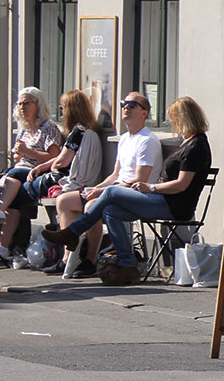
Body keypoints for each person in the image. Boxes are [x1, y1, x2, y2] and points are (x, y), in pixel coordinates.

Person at [43, 95, 210, 286]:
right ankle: (128, 265)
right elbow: (117, 175)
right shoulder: (187, 143)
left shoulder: (196, 146)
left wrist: (151, 187)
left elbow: (181, 184)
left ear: (183, 118)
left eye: (174, 118)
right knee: (110, 211)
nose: (173, 124)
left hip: (173, 206)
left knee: (111, 193)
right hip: (162, 199)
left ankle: (73, 232)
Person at [0, 89, 104, 270]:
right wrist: (41, 166)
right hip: (59, 177)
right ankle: (7, 244)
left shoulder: (77, 132)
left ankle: (8, 240)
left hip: (63, 180)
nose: (62, 112)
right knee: (15, 188)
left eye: (63, 108)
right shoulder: (86, 131)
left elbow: (61, 160)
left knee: (15, 189)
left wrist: (43, 164)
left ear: (71, 110)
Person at [47, 91, 163, 264]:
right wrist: (96, 188)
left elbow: (140, 179)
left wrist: (102, 191)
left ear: (144, 113)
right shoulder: (125, 138)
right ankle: (67, 258)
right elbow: (115, 174)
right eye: (123, 104)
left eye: (132, 105)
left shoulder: (147, 140)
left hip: (135, 194)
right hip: (115, 190)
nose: (126, 107)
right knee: (64, 201)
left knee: (92, 205)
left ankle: (90, 259)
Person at [0, 87, 63, 254]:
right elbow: (19, 158)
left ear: (38, 105)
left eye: (26, 103)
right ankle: (3, 246)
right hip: (20, 172)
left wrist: (27, 152)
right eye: (19, 104)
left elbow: (54, 157)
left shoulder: (48, 127)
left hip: (39, 172)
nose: (22, 107)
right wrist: (18, 154)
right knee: (7, 196)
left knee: (14, 175)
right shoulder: (24, 129)